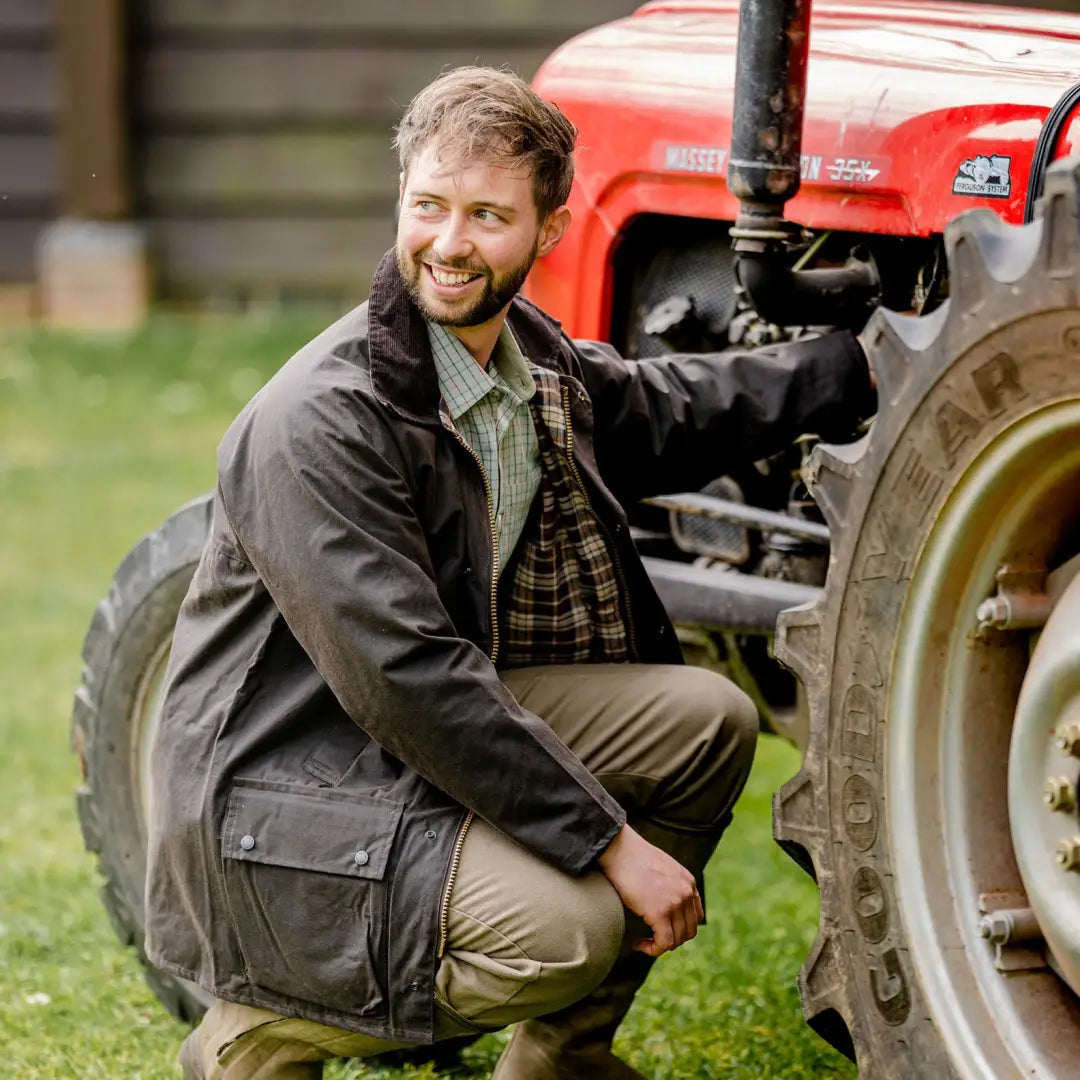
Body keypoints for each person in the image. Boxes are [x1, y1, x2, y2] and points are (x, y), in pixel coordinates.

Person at [147, 66, 874, 1080]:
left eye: (488, 215)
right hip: (298, 774)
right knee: (564, 929)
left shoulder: (520, 362)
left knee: (708, 723)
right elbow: (406, 675)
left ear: (550, 231)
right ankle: (258, 1031)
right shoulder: (318, 421)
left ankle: (557, 1064)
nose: (447, 244)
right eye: (428, 207)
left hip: (406, 734)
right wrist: (608, 842)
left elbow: (664, 410)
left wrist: (862, 366)